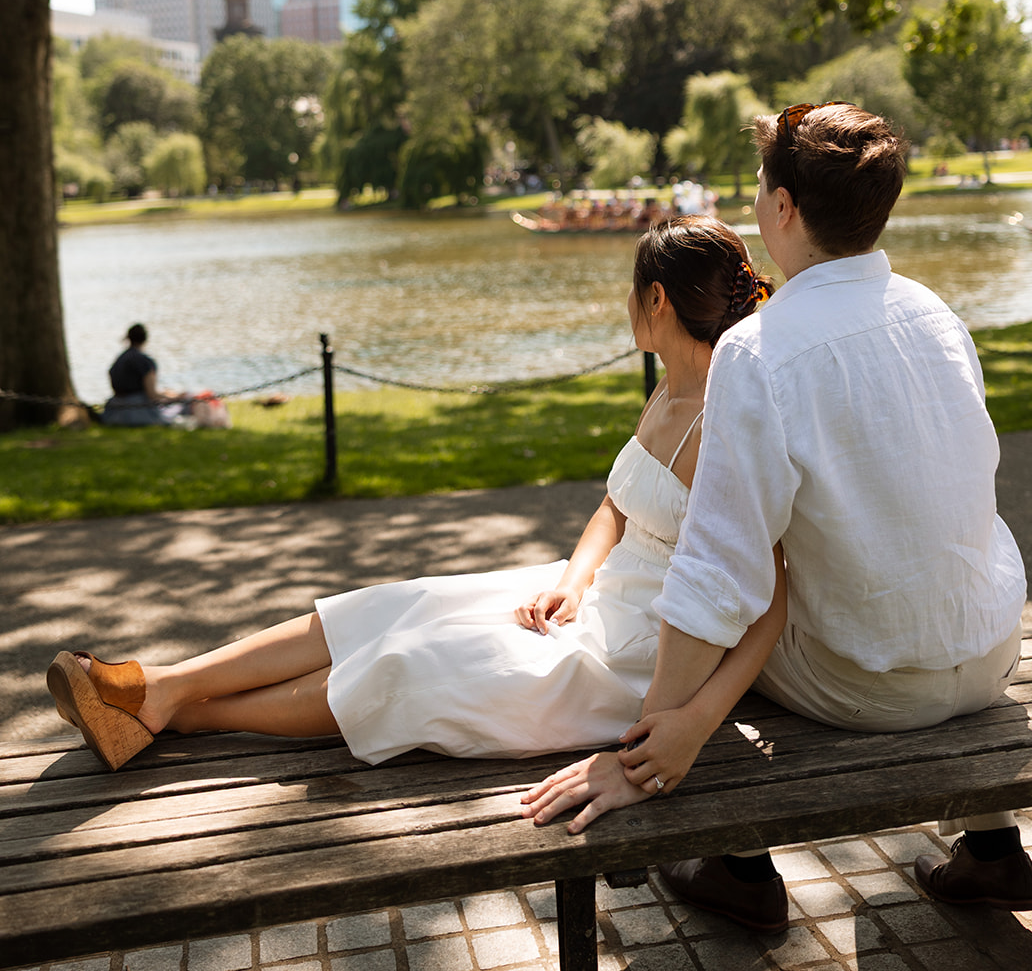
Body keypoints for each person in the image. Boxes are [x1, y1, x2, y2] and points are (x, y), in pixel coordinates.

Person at [523, 103, 1032, 929]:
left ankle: (739, 866)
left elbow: (716, 578)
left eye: (761, 186)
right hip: (986, 649)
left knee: (705, 608)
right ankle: (993, 852)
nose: (756, 201)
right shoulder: (936, 314)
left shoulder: (758, 350)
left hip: (862, 684)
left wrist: (652, 743)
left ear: (784, 208)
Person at [47, 217, 786, 777]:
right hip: (590, 597)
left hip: (635, 659)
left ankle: (174, 717)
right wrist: (570, 581)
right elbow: (616, 508)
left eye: (630, 290)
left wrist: (693, 716)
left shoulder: (723, 421)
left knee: (413, 661)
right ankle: (167, 684)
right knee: (400, 602)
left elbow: (771, 592)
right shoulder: (665, 391)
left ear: (654, 299)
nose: (625, 303)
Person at [101, 324, 189, 428]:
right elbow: (152, 394)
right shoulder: (145, 361)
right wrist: (177, 398)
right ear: (145, 339)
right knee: (186, 403)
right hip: (138, 411)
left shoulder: (119, 360)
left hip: (114, 411)